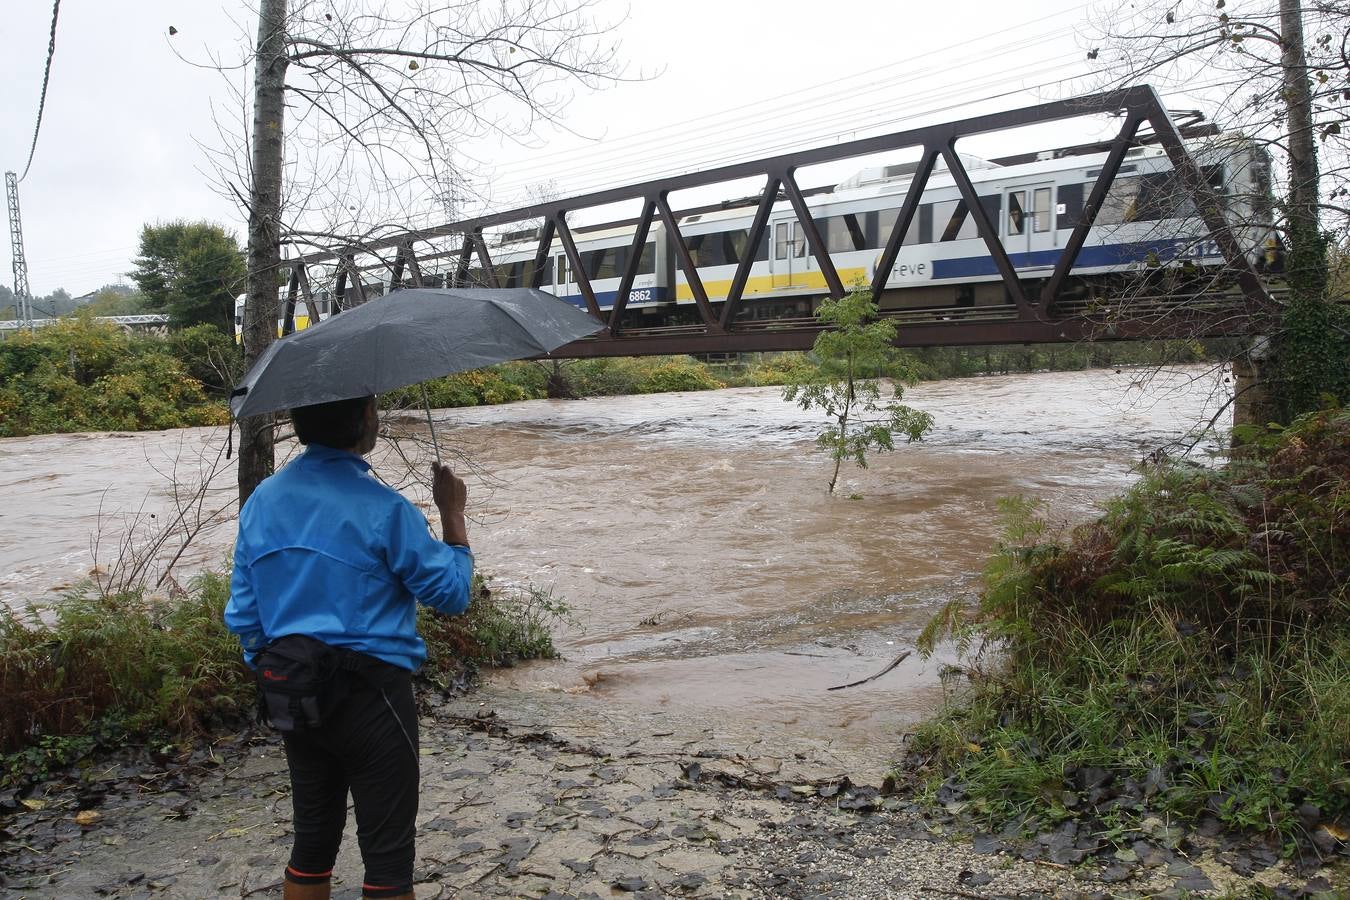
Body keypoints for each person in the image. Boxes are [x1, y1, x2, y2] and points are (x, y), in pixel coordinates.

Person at [224, 395, 473, 900]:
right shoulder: (385, 508)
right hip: (371, 695)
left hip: (293, 690)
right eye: (374, 410)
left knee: (312, 842)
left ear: (297, 424)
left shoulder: (263, 502)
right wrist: (453, 516)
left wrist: (273, 671)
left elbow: (245, 614)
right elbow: (452, 595)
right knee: (387, 856)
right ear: (364, 421)